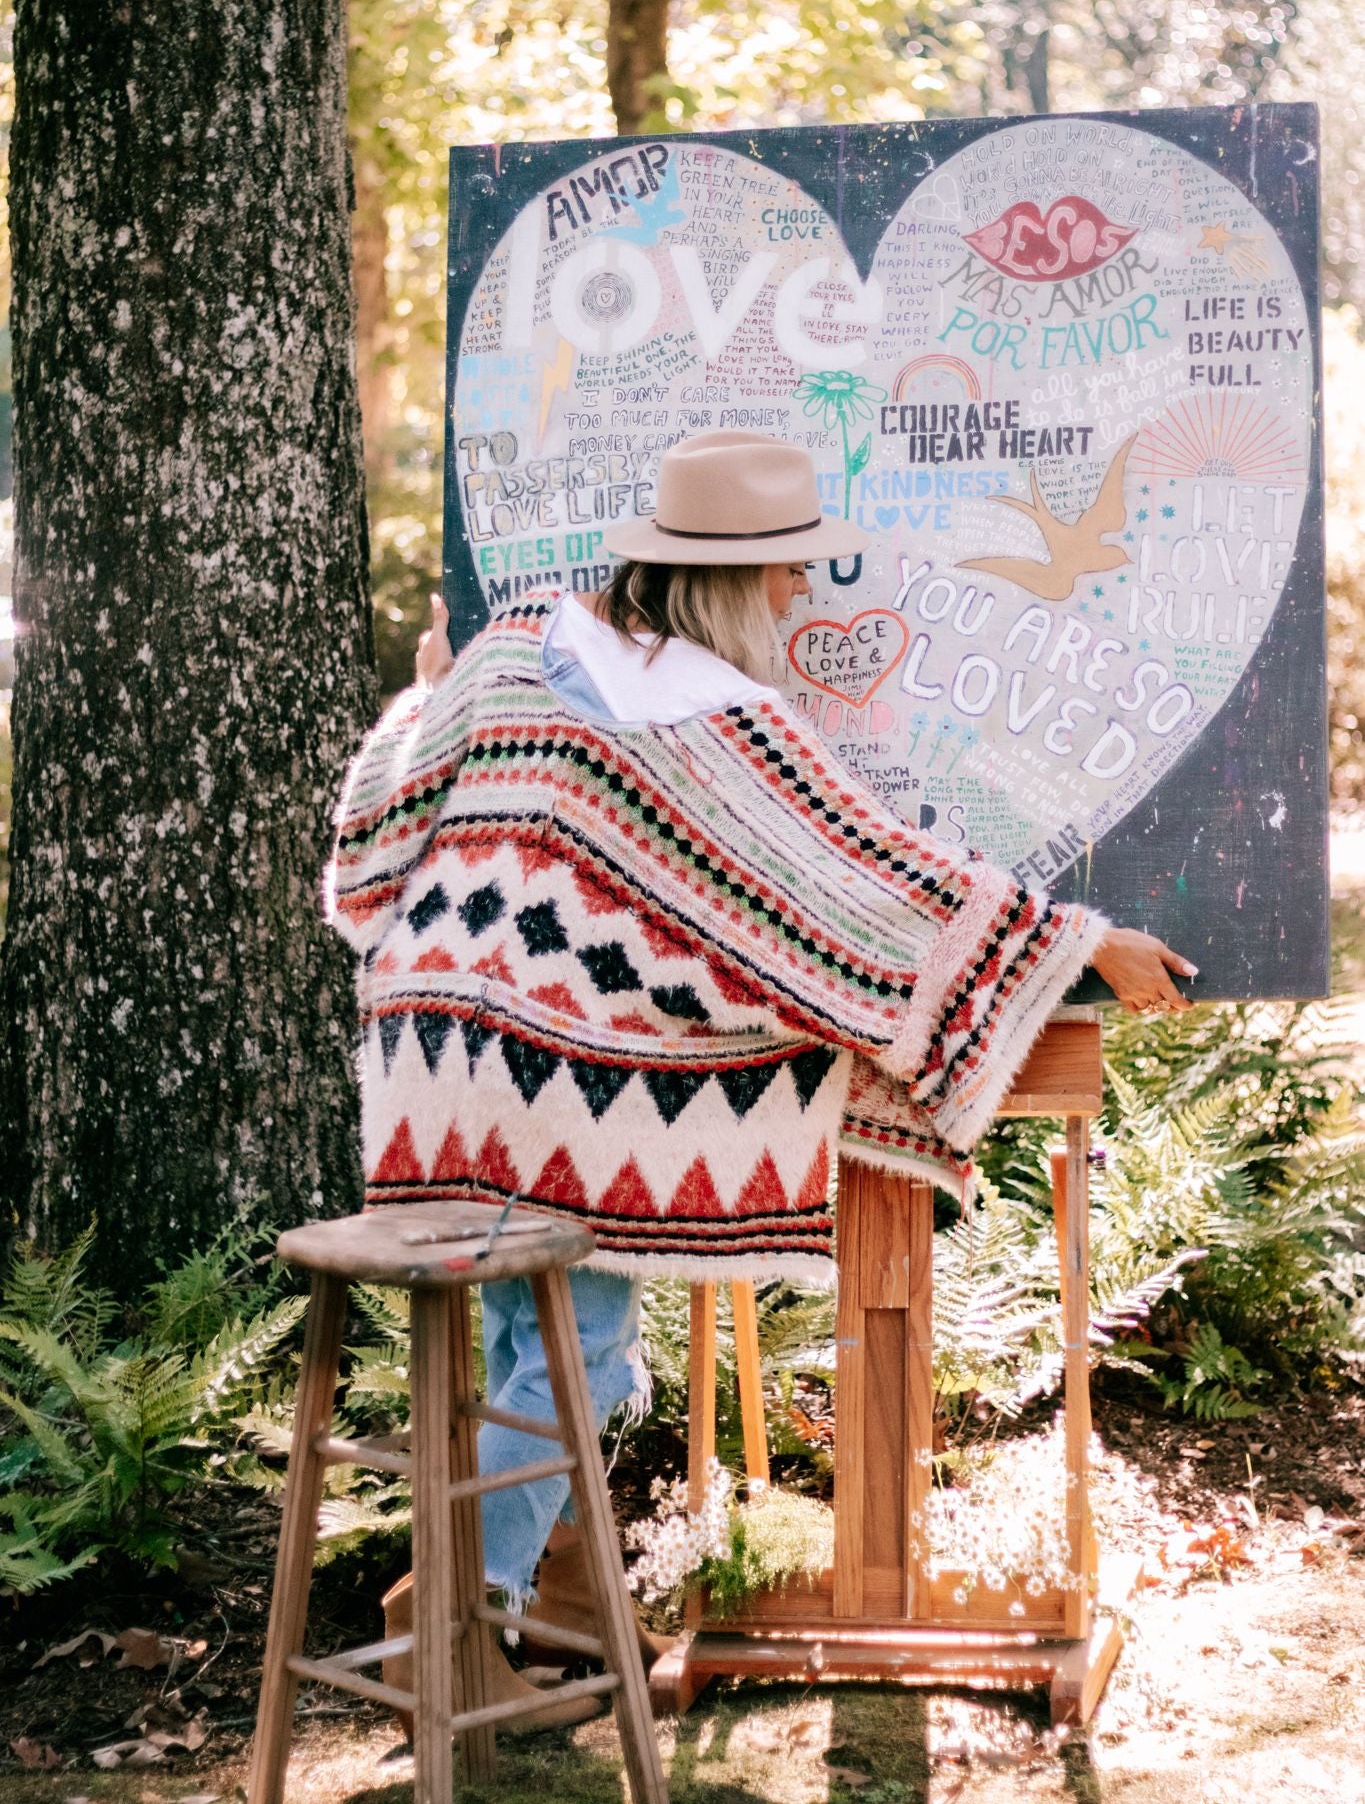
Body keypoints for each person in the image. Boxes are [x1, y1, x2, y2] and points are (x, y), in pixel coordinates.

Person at [325, 430, 1194, 1720]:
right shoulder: (715, 725)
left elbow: (376, 830)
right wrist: (1079, 940)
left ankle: (516, 1595)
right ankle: (456, 1614)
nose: (802, 594)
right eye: (787, 571)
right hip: (560, 1078)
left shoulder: (519, 645)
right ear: (730, 582)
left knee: (516, 1336)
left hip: (428, 1049)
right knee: (593, 1359)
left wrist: (425, 695)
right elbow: (867, 894)